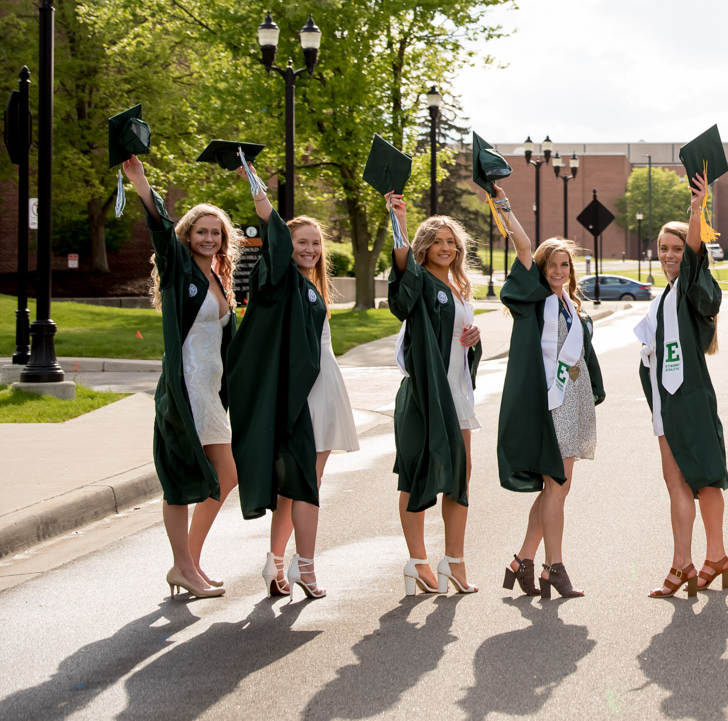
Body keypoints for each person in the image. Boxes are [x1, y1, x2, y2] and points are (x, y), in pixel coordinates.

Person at [228, 168, 359, 600]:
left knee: (300, 485)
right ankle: (306, 567)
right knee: (303, 483)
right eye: (300, 242)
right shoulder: (281, 281)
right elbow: (273, 237)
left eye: (315, 243)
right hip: (302, 394)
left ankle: (275, 560)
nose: (308, 249)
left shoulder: (312, 287)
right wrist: (257, 189)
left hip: (325, 389)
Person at [124, 156, 236, 600]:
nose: (209, 238)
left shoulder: (217, 277)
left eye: (216, 232)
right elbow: (158, 228)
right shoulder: (179, 269)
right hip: (186, 388)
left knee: (220, 475)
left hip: (210, 390)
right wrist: (141, 181)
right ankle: (185, 565)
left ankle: (186, 563)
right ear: (186, 235)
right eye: (201, 231)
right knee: (189, 477)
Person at [491, 184, 605, 600]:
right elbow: (522, 246)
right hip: (548, 405)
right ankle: (553, 568)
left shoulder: (572, 306)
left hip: (572, 402)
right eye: (552, 265)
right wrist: (504, 206)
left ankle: (522, 560)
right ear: (540, 269)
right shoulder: (534, 300)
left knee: (557, 488)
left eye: (565, 265)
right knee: (556, 486)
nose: (559, 271)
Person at [635, 174, 728, 598]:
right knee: (677, 485)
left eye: (677, 249)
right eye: (664, 249)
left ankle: (690, 563)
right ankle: (707, 559)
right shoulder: (662, 298)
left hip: (688, 398)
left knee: (706, 480)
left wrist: (696, 210)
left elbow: (695, 259)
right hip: (663, 403)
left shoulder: (693, 289)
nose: (670, 255)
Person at [386, 195, 483, 596]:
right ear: (425, 246)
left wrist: (474, 340)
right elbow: (402, 293)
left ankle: (454, 562)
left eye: (452, 242)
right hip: (426, 395)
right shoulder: (419, 279)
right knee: (416, 475)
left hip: (457, 393)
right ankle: (418, 561)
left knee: (459, 479)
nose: (447, 248)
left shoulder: (459, 286)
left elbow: (460, 339)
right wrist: (400, 222)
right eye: (439, 241)